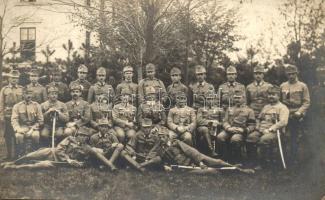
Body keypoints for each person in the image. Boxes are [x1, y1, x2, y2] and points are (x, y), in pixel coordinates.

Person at [139, 132, 253, 174]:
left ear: (167, 136)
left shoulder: (176, 142)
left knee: (218, 161)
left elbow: (192, 152)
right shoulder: (158, 148)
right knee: (213, 171)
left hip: (196, 159)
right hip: (184, 168)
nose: (162, 138)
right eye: (159, 137)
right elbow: (151, 158)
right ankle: (233, 170)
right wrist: (164, 167)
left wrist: (201, 162)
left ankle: (239, 169)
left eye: (163, 136)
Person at [246, 86, 289, 166]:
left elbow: (283, 122)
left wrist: (270, 130)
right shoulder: (266, 107)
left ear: (278, 96)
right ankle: (252, 161)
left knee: (264, 140)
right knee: (250, 137)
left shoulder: (282, 108)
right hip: (261, 130)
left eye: (273, 94)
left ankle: (263, 163)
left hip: (275, 132)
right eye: (269, 94)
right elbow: (259, 118)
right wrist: (258, 127)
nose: (271, 96)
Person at [1, 132, 92, 170]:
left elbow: (85, 161)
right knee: (30, 156)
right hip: (51, 152)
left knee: (39, 165)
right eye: (81, 135)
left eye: (85, 136)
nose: (83, 137)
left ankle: (15, 167)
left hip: (58, 162)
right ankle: (13, 162)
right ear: (78, 135)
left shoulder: (86, 148)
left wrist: (78, 163)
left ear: (87, 138)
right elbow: (59, 149)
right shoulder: (70, 139)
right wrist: (68, 159)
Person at [280, 64, 310, 163]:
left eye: (293, 74)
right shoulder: (283, 86)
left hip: (297, 114)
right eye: (289, 74)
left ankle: (294, 158)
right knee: (283, 136)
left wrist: (299, 112)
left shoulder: (302, 86)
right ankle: (283, 157)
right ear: (286, 75)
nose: (291, 76)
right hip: (285, 113)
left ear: (297, 73)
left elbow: (306, 102)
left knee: (294, 137)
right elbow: (279, 101)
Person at [217, 90, 255, 160]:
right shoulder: (230, 109)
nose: (237, 99)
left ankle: (236, 159)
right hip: (229, 129)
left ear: (243, 98)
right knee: (220, 137)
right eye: (235, 98)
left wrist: (243, 130)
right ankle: (224, 158)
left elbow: (252, 125)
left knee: (235, 139)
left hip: (240, 131)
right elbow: (225, 121)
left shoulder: (249, 110)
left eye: (238, 98)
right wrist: (228, 128)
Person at [11, 87, 44, 156]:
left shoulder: (36, 105)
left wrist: (32, 129)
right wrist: (18, 129)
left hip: (34, 127)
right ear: (23, 94)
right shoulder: (17, 106)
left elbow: (40, 120)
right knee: (18, 136)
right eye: (26, 93)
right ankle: (21, 153)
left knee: (35, 135)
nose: (29, 95)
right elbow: (14, 120)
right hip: (23, 126)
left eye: (30, 93)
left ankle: (35, 153)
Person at [0, 70, 24, 160]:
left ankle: (17, 155)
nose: (14, 80)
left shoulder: (21, 88)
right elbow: (1, 104)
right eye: (12, 78)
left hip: (19, 115)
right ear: (9, 79)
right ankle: (9, 155)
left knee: (17, 134)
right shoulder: (4, 89)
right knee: (8, 135)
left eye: (16, 78)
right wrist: (1, 115)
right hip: (8, 115)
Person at [196, 90, 223, 156]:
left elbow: (223, 122)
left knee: (206, 137)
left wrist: (217, 123)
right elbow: (198, 121)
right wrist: (210, 122)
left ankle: (221, 154)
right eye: (208, 99)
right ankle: (211, 150)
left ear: (215, 100)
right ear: (205, 100)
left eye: (212, 99)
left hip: (215, 128)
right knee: (205, 130)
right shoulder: (201, 109)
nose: (210, 101)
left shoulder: (219, 110)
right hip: (202, 128)